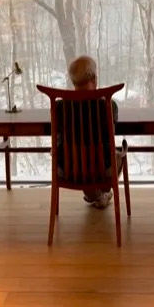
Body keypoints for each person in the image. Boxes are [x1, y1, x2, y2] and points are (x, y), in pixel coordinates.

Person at [56, 56, 122, 209]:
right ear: (93, 77)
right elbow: (109, 137)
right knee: (117, 154)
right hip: (102, 171)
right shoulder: (108, 106)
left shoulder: (59, 107)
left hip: (68, 170)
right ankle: (100, 193)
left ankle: (96, 195)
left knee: (80, 156)